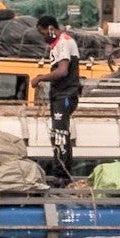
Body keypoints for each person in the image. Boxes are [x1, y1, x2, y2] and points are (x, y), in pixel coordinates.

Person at [35, 16, 80, 180]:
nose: (43, 38)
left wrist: (40, 78)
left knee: (60, 134)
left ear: (50, 29)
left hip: (65, 94)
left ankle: (62, 174)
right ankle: (61, 170)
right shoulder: (57, 44)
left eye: (43, 33)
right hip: (58, 95)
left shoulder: (63, 42)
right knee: (57, 133)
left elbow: (62, 71)